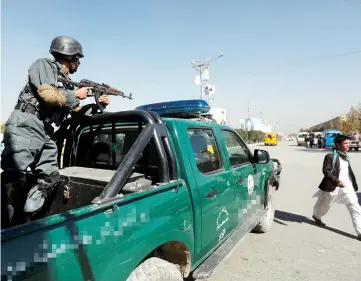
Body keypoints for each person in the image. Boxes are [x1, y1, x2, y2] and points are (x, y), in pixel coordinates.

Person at [1, 36, 109, 228]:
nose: (78, 64)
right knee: (14, 178)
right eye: (77, 59)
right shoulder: (44, 65)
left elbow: (77, 115)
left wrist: (97, 105)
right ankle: (6, 229)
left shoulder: (67, 84)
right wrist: (76, 94)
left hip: (45, 131)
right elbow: (48, 95)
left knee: (50, 177)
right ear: (71, 57)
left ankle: (26, 220)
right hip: (26, 124)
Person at [312, 135, 361, 240]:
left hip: (347, 186)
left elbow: (348, 172)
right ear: (338, 145)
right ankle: (316, 216)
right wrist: (336, 181)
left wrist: (353, 183)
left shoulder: (345, 156)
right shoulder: (330, 156)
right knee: (324, 205)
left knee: (355, 206)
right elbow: (326, 171)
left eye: (349, 143)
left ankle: (360, 232)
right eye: (346, 143)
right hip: (333, 185)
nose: (348, 145)